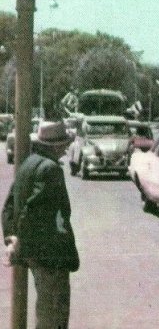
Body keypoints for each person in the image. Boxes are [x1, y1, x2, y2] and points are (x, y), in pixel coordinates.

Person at [2, 121, 79, 329]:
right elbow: (32, 211)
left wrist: (12, 238)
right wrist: (20, 240)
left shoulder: (28, 164)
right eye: (63, 144)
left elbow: (9, 206)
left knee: (46, 310)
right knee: (53, 315)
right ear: (54, 146)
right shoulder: (51, 170)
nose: (65, 149)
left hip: (37, 255)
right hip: (51, 256)